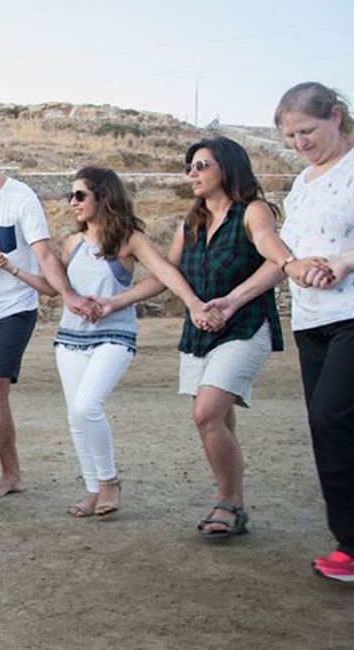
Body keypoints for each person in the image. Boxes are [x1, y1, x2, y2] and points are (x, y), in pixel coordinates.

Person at [0, 167, 220, 518]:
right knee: (75, 414)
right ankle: (93, 489)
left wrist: (183, 303)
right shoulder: (74, 242)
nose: (72, 202)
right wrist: (12, 268)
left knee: (86, 406)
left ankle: (109, 481)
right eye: (70, 196)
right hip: (70, 338)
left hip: (114, 335)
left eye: (80, 195)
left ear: (103, 195)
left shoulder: (129, 238)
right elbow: (56, 288)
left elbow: (164, 276)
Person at [136, 136, 289, 538]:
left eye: (202, 165)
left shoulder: (254, 212)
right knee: (219, 418)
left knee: (206, 413)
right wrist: (113, 300)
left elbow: (278, 261)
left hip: (245, 325)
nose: (193, 174)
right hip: (199, 329)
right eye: (190, 167)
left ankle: (229, 504)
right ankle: (234, 500)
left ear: (228, 168)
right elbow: (169, 275)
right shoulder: (193, 222)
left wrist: (233, 302)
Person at [0, 125, 92, 505]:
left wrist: (68, 295)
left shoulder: (21, 197)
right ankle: (12, 475)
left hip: (15, 307)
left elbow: (44, 254)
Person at [274, 81, 354, 581]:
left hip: (352, 316)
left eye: (307, 130)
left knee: (331, 418)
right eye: (290, 136)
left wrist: (345, 262)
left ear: (338, 116)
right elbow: (287, 254)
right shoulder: (301, 185)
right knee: (327, 431)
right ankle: (347, 543)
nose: (300, 142)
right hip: (311, 322)